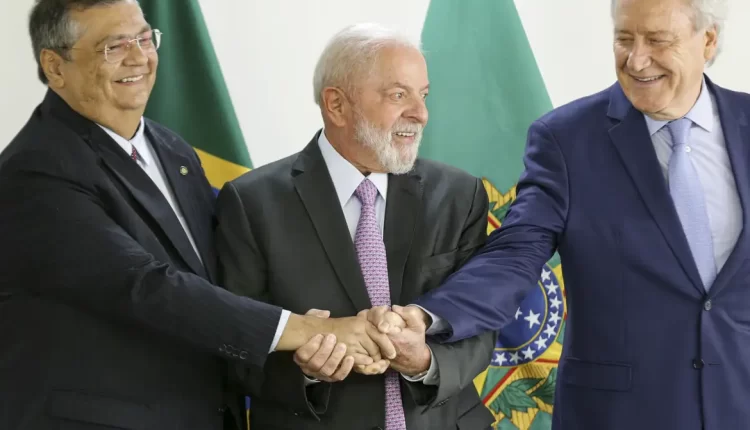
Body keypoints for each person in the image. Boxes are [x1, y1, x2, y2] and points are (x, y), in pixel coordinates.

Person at [0, 2, 396, 429]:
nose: (139, 57)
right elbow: (144, 286)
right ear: (55, 66)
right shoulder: (35, 170)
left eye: (144, 38)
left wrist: (329, 331)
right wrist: (310, 330)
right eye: (114, 46)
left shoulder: (171, 149)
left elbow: (227, 261)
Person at [370, 0, 750, 428]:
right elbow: (514, 255)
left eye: (658, 41)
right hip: (619, 415)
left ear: (708, 41)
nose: (636, 59)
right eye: (624, 39)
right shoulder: (567, 140)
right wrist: (429, 316)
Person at [215, 23, 496, 430]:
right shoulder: (251, 203)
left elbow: (480, 321)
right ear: (336, 105)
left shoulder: (460, 194)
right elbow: (233, 343)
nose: (420, 114)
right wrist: (306, 371)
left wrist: (425, 360)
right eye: (398, 95)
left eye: (423, 95)